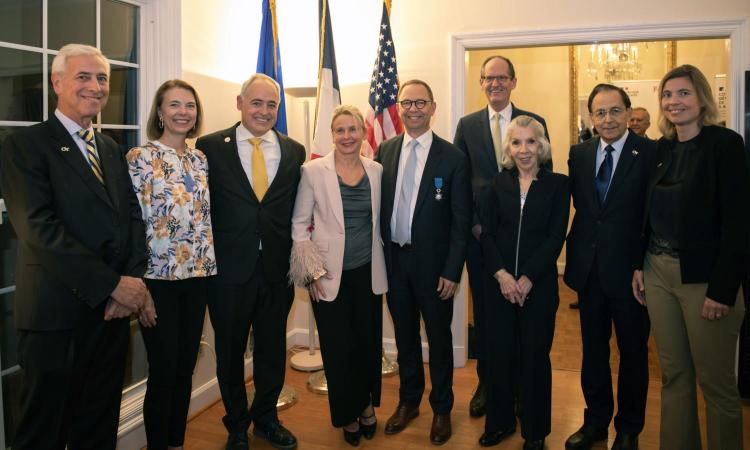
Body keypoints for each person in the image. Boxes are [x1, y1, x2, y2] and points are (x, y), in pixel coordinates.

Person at [0, 43, 149, 450]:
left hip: (110, 317)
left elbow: (132, 221)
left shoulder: (111, 150)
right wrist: (112, 285)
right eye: (84, 76)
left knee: (98, 425)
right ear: (57, 82)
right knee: (44, 430)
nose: (96, 86)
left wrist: (131, 281)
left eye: (102, 78)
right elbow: (38, 230)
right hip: (56, 318)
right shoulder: (24, 146)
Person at [632, 64, 749, 450]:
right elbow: (647, 213)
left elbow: (739, 223)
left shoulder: (725, 145)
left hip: (706, 280)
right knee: (673, 376)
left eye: (683, 93)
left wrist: (723, 289)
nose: (674, 101)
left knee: (716, 383)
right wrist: (638, 266)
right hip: (657, 272)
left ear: (701, 99)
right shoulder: (661, 150)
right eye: (667, 94)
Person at [196, 73, 306, 450]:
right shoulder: (209, 147)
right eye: (256, 102)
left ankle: (266, 419)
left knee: (272, 349)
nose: (263, 110)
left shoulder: (294, 151)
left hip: (277, 270)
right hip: (228, 271)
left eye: (271, 104)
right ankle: (236, 426)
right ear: (240, 103)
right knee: (229, 352)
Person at [453, 55, 550, 417]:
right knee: (489, 320)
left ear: (513, 81)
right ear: (481, 83)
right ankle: (489, 384)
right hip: (482, 242)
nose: (495, 84)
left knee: (525, 320)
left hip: (524, 243)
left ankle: (523, 388)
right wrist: (475, 228)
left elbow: (547, 180)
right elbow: (460, 185)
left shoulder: (533, 124)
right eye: (488, 78)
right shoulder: (467, 125)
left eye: (502, 78)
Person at [376, 79, 472, 445]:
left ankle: (442, 408)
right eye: (406, 102)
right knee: (404, 338)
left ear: (433, 108)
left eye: (420, 103)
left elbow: (461, 222)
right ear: (398, 107)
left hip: (435, 269)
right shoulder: (384, 150)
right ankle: (409, 402)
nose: (413, 109)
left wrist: (452, 270)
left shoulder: (453, 158)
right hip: (395, 262)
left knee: (439, 340)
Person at [289, 105, 388, 446]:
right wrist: (311, 273)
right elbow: (300, 226)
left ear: (363, 132)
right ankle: (347, 416)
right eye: (340, 130)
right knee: (338, 350)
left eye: (353, 130)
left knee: (367, 345)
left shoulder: (376, 170)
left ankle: (366, 408)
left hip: (368, 274)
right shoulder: (313, 171)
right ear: (332, 135)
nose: (347, 137)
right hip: (327, 276)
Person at [126, 79, 217, 450]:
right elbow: (131, 223)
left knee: (184, 369)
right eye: (174, 105)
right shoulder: (139, 158)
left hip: (197, 276)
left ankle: (176, 443)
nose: (183, 112)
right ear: (160, 112)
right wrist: (137, 286)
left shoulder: (200, 159)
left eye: (190, 106)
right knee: (163, 371)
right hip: (156, 281)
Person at [564, 84, 655, 450]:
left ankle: (630, 428)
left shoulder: (649, 153)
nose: (607, 119)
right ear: (590, 117)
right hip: (589, 270)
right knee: (593, 352)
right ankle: (596, 422)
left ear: (628, 113)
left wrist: (644, 264)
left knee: (633, 354)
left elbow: (654, 215)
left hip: (631, 274)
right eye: (600, 113)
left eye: (615, 111)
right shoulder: (580, 154)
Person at [477, 115, 569, 450]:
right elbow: (485, 234)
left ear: (541, 145)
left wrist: (528, 277)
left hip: (539, 287)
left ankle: (535, 430)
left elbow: (556, 235)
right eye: (516, 142)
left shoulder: (559, 185)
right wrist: (502, 275)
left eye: (531, 142)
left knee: (533, 359)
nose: (524, 149)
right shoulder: (495, 185)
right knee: (499, 357)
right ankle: (499, 422)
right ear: (508, 148)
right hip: (499, 286)